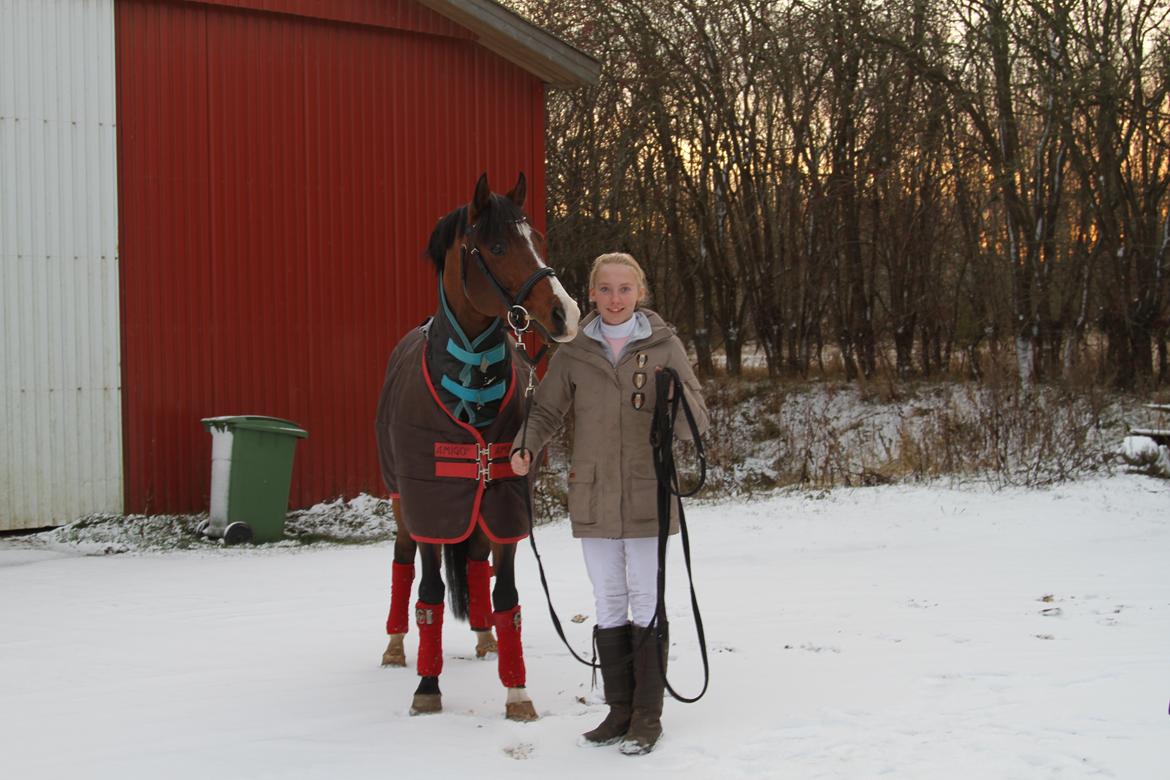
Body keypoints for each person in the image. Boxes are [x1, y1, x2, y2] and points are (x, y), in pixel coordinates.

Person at [510, 252, 709, 755]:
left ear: (639, 293)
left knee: (646, 599)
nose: (616, 298)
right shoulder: (575, 349)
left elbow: (697, 423)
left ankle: (647, 715)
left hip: (648, 489)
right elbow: (548, 409)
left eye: (625, 289)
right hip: (594, 491)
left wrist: (674, 402)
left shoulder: (664, 345)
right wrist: (525, 446)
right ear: (592, 294)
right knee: (607, 600)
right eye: (606, 289)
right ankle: (618, 710)